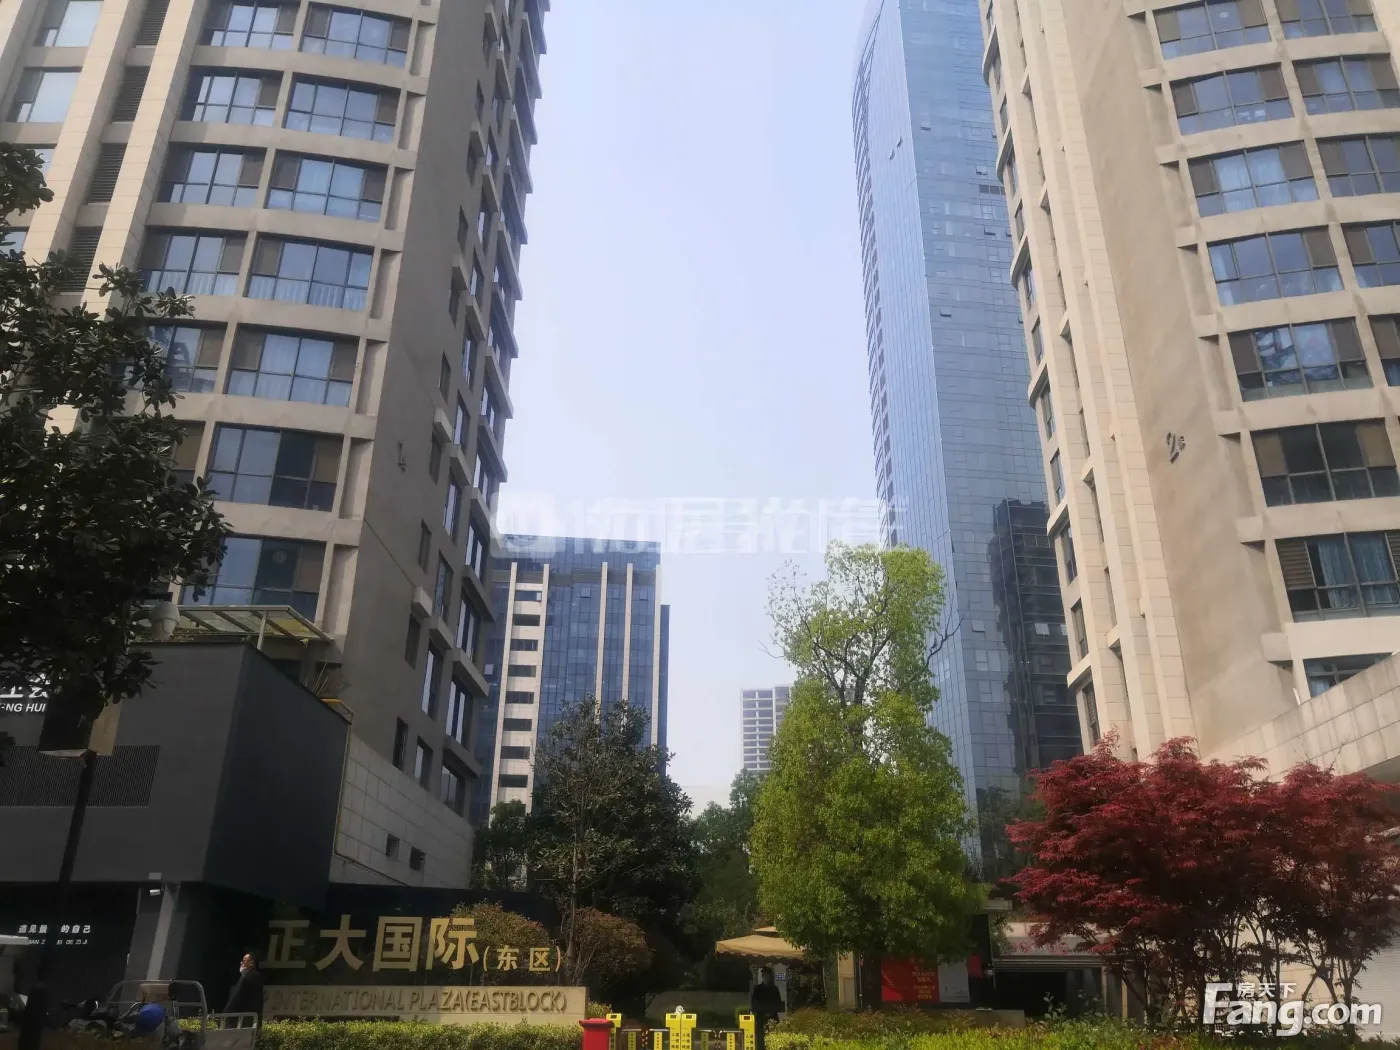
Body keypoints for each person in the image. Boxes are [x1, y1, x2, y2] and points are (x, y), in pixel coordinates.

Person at [749, 967, 784, 1050]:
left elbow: (778, 1004)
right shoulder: (758, 989)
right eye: (765, 975)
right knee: (761, 1040)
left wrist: (772, 1008)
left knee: (772, 1039)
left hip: (772, 1018)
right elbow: (754, 1004)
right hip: (761, 1018)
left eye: (768, 975)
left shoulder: (774, 989)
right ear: (763, 976)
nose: (767, 977)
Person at [222, 954, 263, 1024]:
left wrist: (225, 1014)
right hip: (253, 1019)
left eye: (244, 961)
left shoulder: (245, 977)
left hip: (242, 1019)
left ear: (251, 963)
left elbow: (236, 997)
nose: (241, 963)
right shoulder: (258, 977)